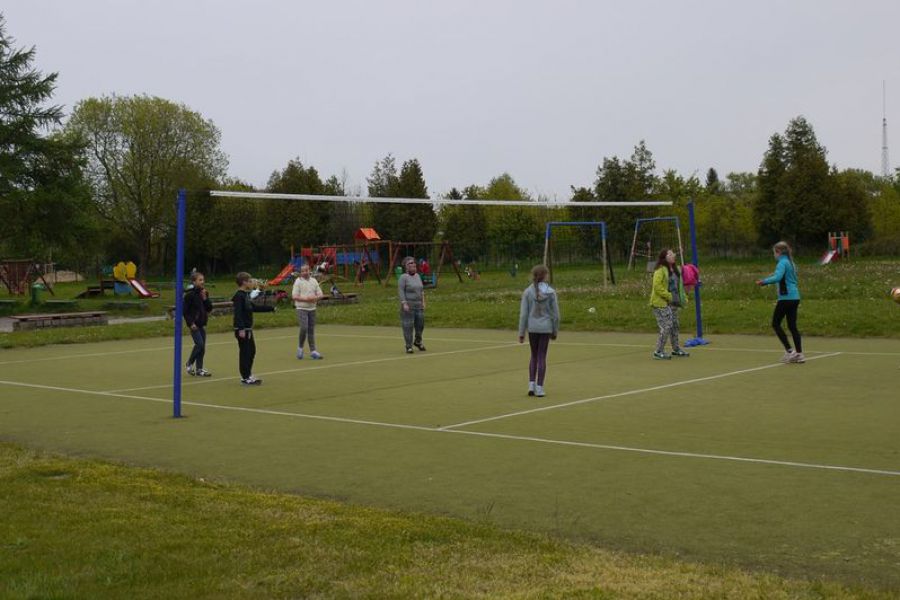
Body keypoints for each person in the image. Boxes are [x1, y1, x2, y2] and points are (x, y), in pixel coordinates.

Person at [756, 241, 804, 363]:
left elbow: (777, 277)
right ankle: (799, 354)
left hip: (786, 298)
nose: (774, 255)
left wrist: (764, 281)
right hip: (795, 297)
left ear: (778, 252)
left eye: (774, 253)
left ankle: (790, 351)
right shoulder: (791, 263)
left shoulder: (782, 263)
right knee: (792, 326)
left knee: (775, 323)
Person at [518, 264, 559, 397]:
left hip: (533, 328)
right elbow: (556, 315)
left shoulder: (527, 292)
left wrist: (521, 332)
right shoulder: (550, 292)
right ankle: (540, 387)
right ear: (545, 276)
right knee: (542, 356)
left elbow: (523, 314)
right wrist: (555, 330)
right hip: (545, 328)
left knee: (534, 355)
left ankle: (531, 384)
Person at [232, 272, 275, 385]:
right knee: (245, 352)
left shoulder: (245, 295)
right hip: (243, 329)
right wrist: (240, 328)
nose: (252, 283)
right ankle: (245, 377)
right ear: (244, 282)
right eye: (250, 281)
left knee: (251, 351)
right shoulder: (239, 296)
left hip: (248, 329)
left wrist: (270, 308)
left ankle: (248, 374)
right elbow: (238, 313)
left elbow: (253, 307)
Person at [649, 249, 689, 360]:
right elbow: (657, 286)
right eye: (670, 254)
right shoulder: (660, 269)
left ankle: (676, 349)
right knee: (666, 326)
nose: (673, 255)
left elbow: (679, 286)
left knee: (675, 325)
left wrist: (683, 298)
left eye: (673, 254)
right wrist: (668, 296)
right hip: (661, 302)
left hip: (674, 303)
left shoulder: (676, 269)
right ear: (665, 257)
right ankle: (658, 351)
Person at [183, 271, 213, 377]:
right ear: (194, 282)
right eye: (200, 280)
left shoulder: (204, 293)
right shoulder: (189, 295)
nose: (202, 282)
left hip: (201, 324)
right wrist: (190, 323)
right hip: (194, 324)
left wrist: (205, 299)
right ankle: (189, 363)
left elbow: (209, 308)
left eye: (203, 280)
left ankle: (199, 369)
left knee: (202, 347)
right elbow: (185, 312)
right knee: (199, 344)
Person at [292, 263, 324, 360]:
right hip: (301, 308)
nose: (305, 272)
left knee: (311, 329)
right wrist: (306, 299)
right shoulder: (298, 282)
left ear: (309, 271)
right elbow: (294, 296)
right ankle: (300, 348)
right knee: (304, 328)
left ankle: (313, 351)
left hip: (312, 309)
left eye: (306, 270)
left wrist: (315, 298)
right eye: (303, 271)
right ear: (300, 272)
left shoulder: (314, 281)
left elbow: (320, 294)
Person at [398, 256, 426, 354]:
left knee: (420, 325)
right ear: (406, 266)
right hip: (408, 306)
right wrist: (404, 303)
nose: (413, 264)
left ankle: (417, 341)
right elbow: (401, 291)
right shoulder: (403, 277)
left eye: (413, 263)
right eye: (410, 263)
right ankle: (408, 346)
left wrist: (423, 301)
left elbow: (421, 290)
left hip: (418, 305)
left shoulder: (418, 276)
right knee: (408, 326)